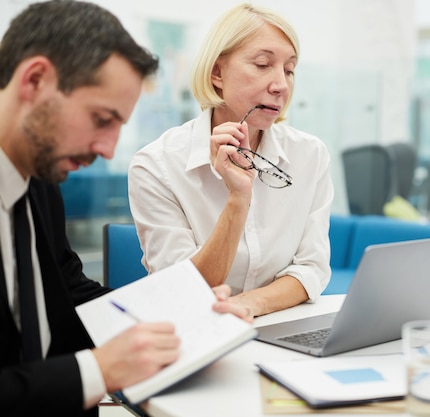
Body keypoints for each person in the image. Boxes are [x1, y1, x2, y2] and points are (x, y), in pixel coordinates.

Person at [0, 2, 250, 416]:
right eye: (101, 119)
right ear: (36, 80)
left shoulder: (39, 177)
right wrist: (96, 372)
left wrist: (183, 312)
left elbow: (68, 292)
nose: (108, 149)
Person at [128, 4, 334, 317]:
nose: (281, 85)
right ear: (217, 72)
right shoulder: (156, 166)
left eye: (289, 70)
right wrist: (238, 199)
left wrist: (248, 305)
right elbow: (182, 289)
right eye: (263, 64)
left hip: (275, 324)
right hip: (193, 329)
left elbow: (311, 269)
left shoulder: (310, 155)